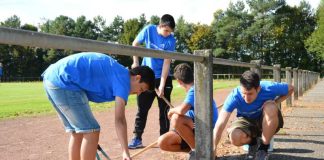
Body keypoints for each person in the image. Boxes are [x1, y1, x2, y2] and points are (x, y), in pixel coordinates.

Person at [42, 52, 155, 160]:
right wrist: (125, 151)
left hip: (53, 78)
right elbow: (119, 120)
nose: (138, 93)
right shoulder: (124, 81)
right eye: (141, 89)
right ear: (137, 78)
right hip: (64, 81)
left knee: (79, 132)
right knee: (91, 131)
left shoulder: (119, 73)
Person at [213, 70, 294, 160]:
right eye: (244, 93)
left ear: (258, 89)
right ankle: (254, 143)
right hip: (246, 120)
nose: (247, 98)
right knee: (234, 137)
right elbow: (220, 122)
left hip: (265, 119)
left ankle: (263, 149)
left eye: (250, 94)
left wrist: (276, 102)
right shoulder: (234, 96)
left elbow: (291, 88)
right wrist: (213, 148)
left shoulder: (269, 87)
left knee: (271, 107)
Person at [128, 14, 176, 149]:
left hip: (163, 78)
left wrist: (161, 84)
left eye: (170, 32)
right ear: (160, 26)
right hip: (146, 76)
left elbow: (167, 63)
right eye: (166, 31)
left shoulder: (171, 40)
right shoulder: (149, 30)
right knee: (142, 110)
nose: (167, 35)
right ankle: (137, 138)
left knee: (164, 111)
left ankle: (164, 139)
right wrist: (135, 62)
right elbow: (135, 44)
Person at [157, 63, 218, 157]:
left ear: (179, 81)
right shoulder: (195, 88)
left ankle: (197, 152)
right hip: (195, 125)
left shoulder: (195, 89)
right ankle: (194, 151)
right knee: (162, 142)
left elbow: (182, 110)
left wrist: (171, 111)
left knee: (175, 118)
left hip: (205, 129)